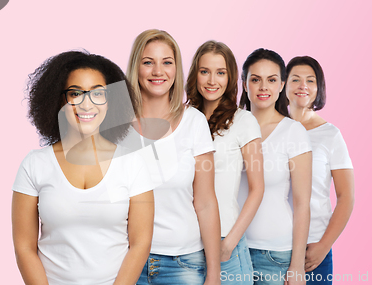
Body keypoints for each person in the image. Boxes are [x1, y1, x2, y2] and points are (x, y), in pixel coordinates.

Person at [12, 50, 154, 285]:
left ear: (110, 101)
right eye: (75, 93)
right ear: (60, 101)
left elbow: (140, 244)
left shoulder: (133, 164)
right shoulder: (34, 165)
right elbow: (24, 248)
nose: (87, 104)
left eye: (98, 93)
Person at [126, 29, 221, 285]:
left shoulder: (194, 122)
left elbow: (206, 202)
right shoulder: (115, 121)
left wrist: (214, 273)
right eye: (148, 62)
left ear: (176, 69)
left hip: (182, 263)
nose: (159, 71)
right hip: (125, 261)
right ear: (136, 67)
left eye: (167, 62)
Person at [186, 40, 264, 284]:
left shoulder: (244, 121)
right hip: (186, 240)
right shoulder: (185, 119)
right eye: (205, 71)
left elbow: (257, 188)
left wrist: (229, 243)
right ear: (194, 75)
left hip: (224, 239)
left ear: (230, 78)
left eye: (220, 73)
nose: (212, 81)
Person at [238, 48, 312, 285]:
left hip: (274, 255)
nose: (263, 87)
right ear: (244, 83)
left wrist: (297, 266)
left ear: (281, 85)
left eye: (271, 80)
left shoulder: (293, 132)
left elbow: (302, 205)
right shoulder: (229, 127)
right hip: (231, 249)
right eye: (255, 79)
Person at [285, 56, 355, 285]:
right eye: (295, 79)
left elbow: (346, 197)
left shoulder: (330, 135)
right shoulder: (269, 128)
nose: (302, 85)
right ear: (283, 85)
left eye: (310, 80)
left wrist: (323, 246)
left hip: (312, 251)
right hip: (270, 247)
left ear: (318, 88)